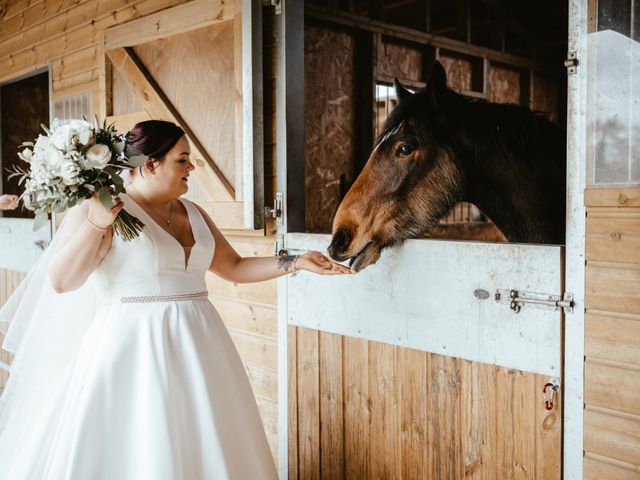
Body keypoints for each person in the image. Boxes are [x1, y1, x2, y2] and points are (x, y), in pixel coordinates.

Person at [0, 120, 350, 479]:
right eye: (182, 160)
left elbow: (234, 266)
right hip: (132, 353)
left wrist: (297, 262)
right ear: (150, 164)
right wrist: (96, 222)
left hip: (200, 348)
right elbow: (61, 281)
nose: (191, 169)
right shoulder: (104, 209)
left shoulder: (194, 213)